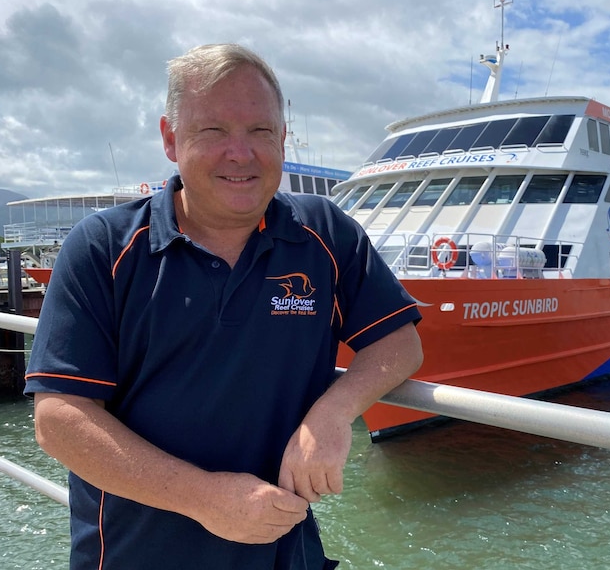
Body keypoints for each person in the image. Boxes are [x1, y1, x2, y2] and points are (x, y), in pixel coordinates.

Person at [24, 43, 423, 569]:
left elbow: (399, 342)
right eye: (213, 131)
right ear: (171, 138)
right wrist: (204, 499)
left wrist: (332, 413)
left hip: (288, 553)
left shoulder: (324, 232)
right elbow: (59, 419)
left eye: (260, 131)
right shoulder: (104, 247)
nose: (241, 153)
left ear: (282, 138)